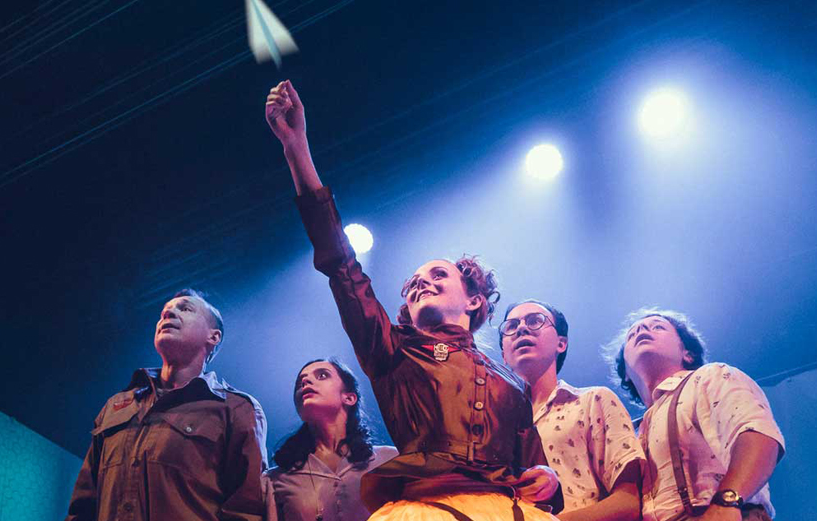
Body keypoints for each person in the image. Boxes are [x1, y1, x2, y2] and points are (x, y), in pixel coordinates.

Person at [265, 80, 562, 521]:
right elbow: (341, 265)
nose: (421, 283)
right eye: (412, 283)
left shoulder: (512, 382)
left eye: (438, 275)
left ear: (474, 300)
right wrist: (296, 149)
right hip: (425, 511)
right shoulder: (394, 350)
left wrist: (546, 479)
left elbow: (538, 474)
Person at [65, 289, 268, 521]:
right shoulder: (116, 406)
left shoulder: (236, 409)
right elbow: (83, 505)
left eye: (185, 309)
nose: (168, 313)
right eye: (164, 312)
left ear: (213, 337)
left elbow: (247, 509)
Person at [603, 308, 785, 521]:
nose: (642, 328)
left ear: (687, 354)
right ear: (625, 372)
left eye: (658, 326)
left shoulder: (711, 377)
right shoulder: (628, 432)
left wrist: (726, 503)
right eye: (632, 334)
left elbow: (757, 433)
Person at [499, 299, 644, 521]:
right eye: (511, 326)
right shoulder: (494, 423)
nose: (522, 328)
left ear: (561, 343)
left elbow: (628, 502)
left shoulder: (593, 400)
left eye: (535, 321)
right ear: (503, 354)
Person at [264, 358, 398, 521]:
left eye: (322, 375)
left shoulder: (390, 460)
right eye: (300, 382)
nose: (305, 381)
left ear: (349, 398)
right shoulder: (274, 479)